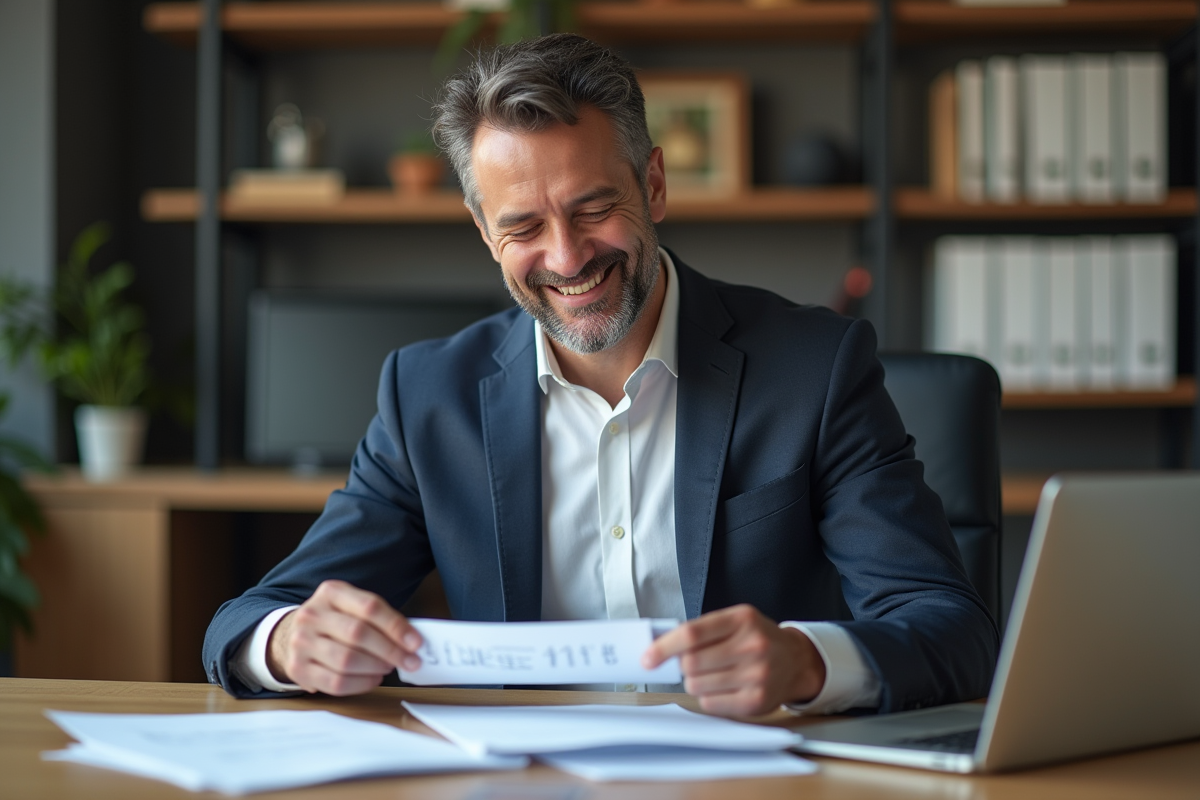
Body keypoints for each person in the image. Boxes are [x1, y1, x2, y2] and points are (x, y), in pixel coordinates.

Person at [203, 33, 997, 717]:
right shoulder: (428, 399)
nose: (568, 255)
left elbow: (951, 627)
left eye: (591, 208)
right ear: (486, 234)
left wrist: (806, 661)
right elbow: (250, 619)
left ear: (653, 184)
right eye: (523, 226)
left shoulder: (816, 369)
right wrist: (287, 645)